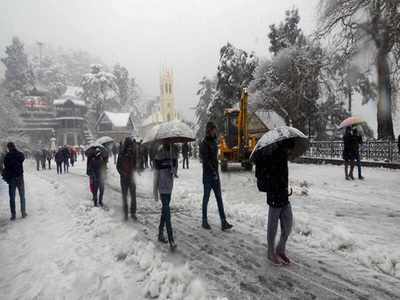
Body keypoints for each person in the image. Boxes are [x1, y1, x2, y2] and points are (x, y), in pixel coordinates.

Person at [253, 139, 294, 265]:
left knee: (288, 224)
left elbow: (282, 174)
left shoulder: (283, 155)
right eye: (289, 150)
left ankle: (280, 249)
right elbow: (264, 171)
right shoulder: (270, 154)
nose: (290, 152)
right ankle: (270, 253)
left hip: (283, 194)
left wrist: (285, 187)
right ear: (285, 147)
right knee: (273, 227)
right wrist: (273, 184)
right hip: (274, 195)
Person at [200, 121, 233, 231]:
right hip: (208, 176)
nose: (215, 132)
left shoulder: (214, 142)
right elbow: (206, 161)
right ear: (209, 130)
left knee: (219, 198)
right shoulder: (204, 143)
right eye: (214, 130)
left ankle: (223, 221)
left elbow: (214, 158)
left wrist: (220, 161)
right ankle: (204, 220)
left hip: (215, 175)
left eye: (215, 130)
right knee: (206, 198)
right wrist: (213, 172)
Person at [153, 143, 178, 250]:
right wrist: (155, 190)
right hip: (162, 187)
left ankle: (160, 233)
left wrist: (174, 170)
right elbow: (156, 174)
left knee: (165, 210)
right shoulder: (158, 156)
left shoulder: (173, 155)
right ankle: (171, 238)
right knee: (167, 212)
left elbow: (176, 171)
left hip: (169, 186)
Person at [2, 142, 27, 220]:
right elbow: (23, 158)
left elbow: (5, 167)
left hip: (12, 178)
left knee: (12, 197)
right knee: (22, 196)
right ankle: (23, 212)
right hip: (20, 177)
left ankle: (13, 214)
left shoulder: (7, 156)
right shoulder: (20, 154)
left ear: (8, 148)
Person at [117, 137, 137, 220]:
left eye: (130, 144)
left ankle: (133, 213)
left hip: (131, 177)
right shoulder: (121, 154)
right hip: (124, 178)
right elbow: (118, 166)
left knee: (133, 196)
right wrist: (123, 173)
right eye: (128, 144)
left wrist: (133, 170)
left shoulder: (133, 152)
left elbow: (135, 164)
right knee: (125, 196)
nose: (130, 146)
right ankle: (125, 214)